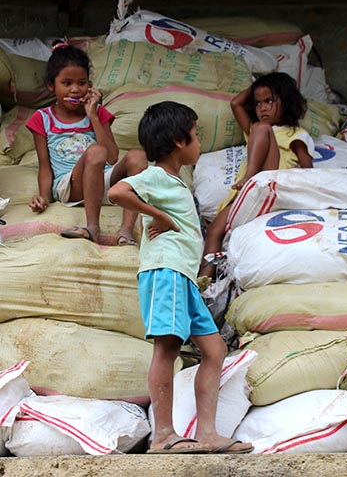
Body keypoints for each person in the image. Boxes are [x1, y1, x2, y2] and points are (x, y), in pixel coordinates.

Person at [108, 101, 253, 455]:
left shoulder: (176, 180)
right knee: (167, 347)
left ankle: (208, 433)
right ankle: (163, 436)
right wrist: (159, 216)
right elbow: (116, 191)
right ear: (177, 141)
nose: (200, 143)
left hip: (184, 279)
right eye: (196, 135)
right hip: (165, 272)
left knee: (215, 350)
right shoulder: (156, 176)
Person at [26, 41, 147, 245]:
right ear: (51, 85)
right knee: (95, 152)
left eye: (82, 83)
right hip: (70, 186)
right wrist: (44, 196)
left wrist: (93, 115)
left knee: (138, 156)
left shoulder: (97, 113)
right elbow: (45, 166)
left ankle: (125, 231)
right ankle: (92, 227)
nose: (75, 90)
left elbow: (112, 157)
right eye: (67, 84)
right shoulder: (42, 118)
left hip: (103, 180)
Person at [199, 72, 315, 279]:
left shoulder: (295, 134)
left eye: (269, 101)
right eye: (258, 103)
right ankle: (205, 280)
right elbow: (236, 104)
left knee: (262, 129)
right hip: (245, 193)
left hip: (271, 183)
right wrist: (259, 85)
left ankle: (251, 177)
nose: (262, 107)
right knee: (215, 230)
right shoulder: (255, 131)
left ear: (286, 100)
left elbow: (308, 169)